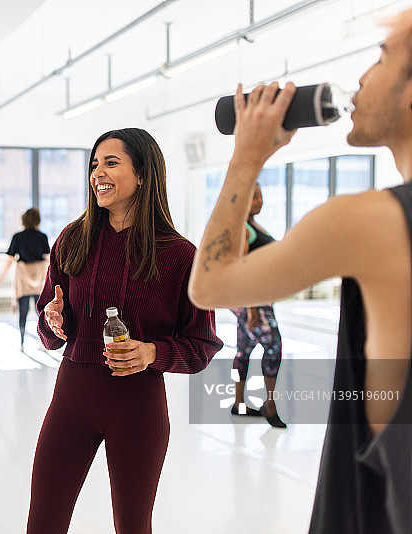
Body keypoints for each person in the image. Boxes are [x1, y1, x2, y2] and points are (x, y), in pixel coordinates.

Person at [188, 9, 412, 534]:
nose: (359, 78)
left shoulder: (370, 220)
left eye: (381, 58)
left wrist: (246, 156)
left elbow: (209, 284)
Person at [27, 128, 222, 533]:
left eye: (111, 162)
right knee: (43, 523)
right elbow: (49, 326)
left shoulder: (180, 255)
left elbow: (202, 344)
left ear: (144, 175)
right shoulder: (72, 239)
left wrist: (151, 352)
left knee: (133, 526)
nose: (98, 172)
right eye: (94, 164)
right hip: (71, 400)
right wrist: (53, 321)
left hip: (138, 407)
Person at [229, 183, 286, 428]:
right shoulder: (242, 228)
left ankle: (239, 403)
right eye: (253, 198)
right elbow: (241, 269)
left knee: (244, 348)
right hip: (252, 299)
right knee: (273, 346)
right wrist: (251, 307)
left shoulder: (254, 226)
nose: (259, 202)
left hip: (257, 298)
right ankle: (269, 404)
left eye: (261, 197)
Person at [0, 207, 49, 350]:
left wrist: (1, 277)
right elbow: (49, 259)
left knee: (23, 312)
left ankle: (22, 343)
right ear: (38, 220)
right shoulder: (42, 236)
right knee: (40, 312)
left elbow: (10, 259)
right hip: (39, 278)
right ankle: (43, 342)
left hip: (22, 278)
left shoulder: (18, 237)